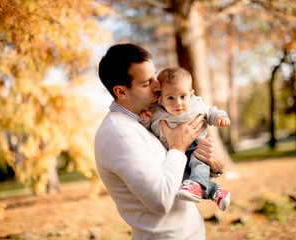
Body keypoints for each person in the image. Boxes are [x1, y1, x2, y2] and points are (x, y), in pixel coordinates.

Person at [95, 43, 226, 240]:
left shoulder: (145, 120)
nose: (158, 86)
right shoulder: (118, 133)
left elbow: (173, 173)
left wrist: (215, 165)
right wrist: (177, 147)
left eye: (154, 75)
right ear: (121, 92)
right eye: (146, 83)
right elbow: (161, 201)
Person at [139, 67, 230, 211]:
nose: (178, 103)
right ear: (160, 98)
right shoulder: (155, 112)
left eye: (183, 96)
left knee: (198, 162)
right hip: (173, 155)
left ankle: (197, 186)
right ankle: (215, 191)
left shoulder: (196, 105)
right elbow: (146, 127)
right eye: (170, 98)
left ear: (191, 95)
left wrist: (220, 117)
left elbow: (211, 111)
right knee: (181, 183)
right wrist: (144, 119)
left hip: (196, 147)